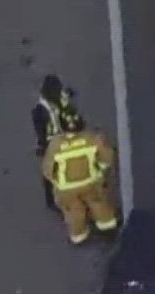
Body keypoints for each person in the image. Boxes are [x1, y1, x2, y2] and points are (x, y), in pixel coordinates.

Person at [38, 109, 119, 244]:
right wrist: (100, 171)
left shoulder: (56, 144)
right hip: (91, 181)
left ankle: (79, 236)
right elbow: (107, 158)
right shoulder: (92, 138)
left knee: (74, 212)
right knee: (99, 203)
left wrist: (56, 182)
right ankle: (107, 227)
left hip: (67, 188)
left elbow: (47, 170)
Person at [31, 74, 78, 212]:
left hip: (55, 142)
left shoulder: (39, 110)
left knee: (51, 172)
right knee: (57, 171)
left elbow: (40, 131)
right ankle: (54, 200)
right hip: (61, 140)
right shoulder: (44, 108)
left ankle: (53, 200)